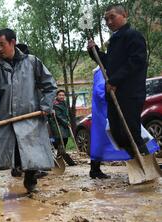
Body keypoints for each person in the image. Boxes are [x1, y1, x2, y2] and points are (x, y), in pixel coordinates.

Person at [0, 28, 57, 197]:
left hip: (29, 118)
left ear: (12, 42)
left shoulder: (32, 62)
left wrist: (46, 106)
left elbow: (50, 86)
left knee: (31, 152)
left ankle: (30, 183)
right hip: (1, 119)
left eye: (2, 44)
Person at [87, 3, 148, 158]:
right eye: (106, 19)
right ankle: (136, 160)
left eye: (112, 17)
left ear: (124, 15)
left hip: (130, 93)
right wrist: (94, 52)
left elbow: (136, 61)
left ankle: (145, 164)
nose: (108, 22)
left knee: (131, 132)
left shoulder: (133, 36)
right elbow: (108, 63)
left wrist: (114, 80)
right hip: (115, 95)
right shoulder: (115, 40)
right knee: (117, 133)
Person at [48, 89, 76, 166]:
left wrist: (68, 121)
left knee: (64, 142)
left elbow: (65, 114)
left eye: (63, 95)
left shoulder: (63, 103)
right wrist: (66, 123)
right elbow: (59, 116)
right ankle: (68, 161)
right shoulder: (55, 104)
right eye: (60, 95)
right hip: (58, 126)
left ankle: (59, 160)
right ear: (57, 96)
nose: (61, 96)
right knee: (61, 143)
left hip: (64, 125)